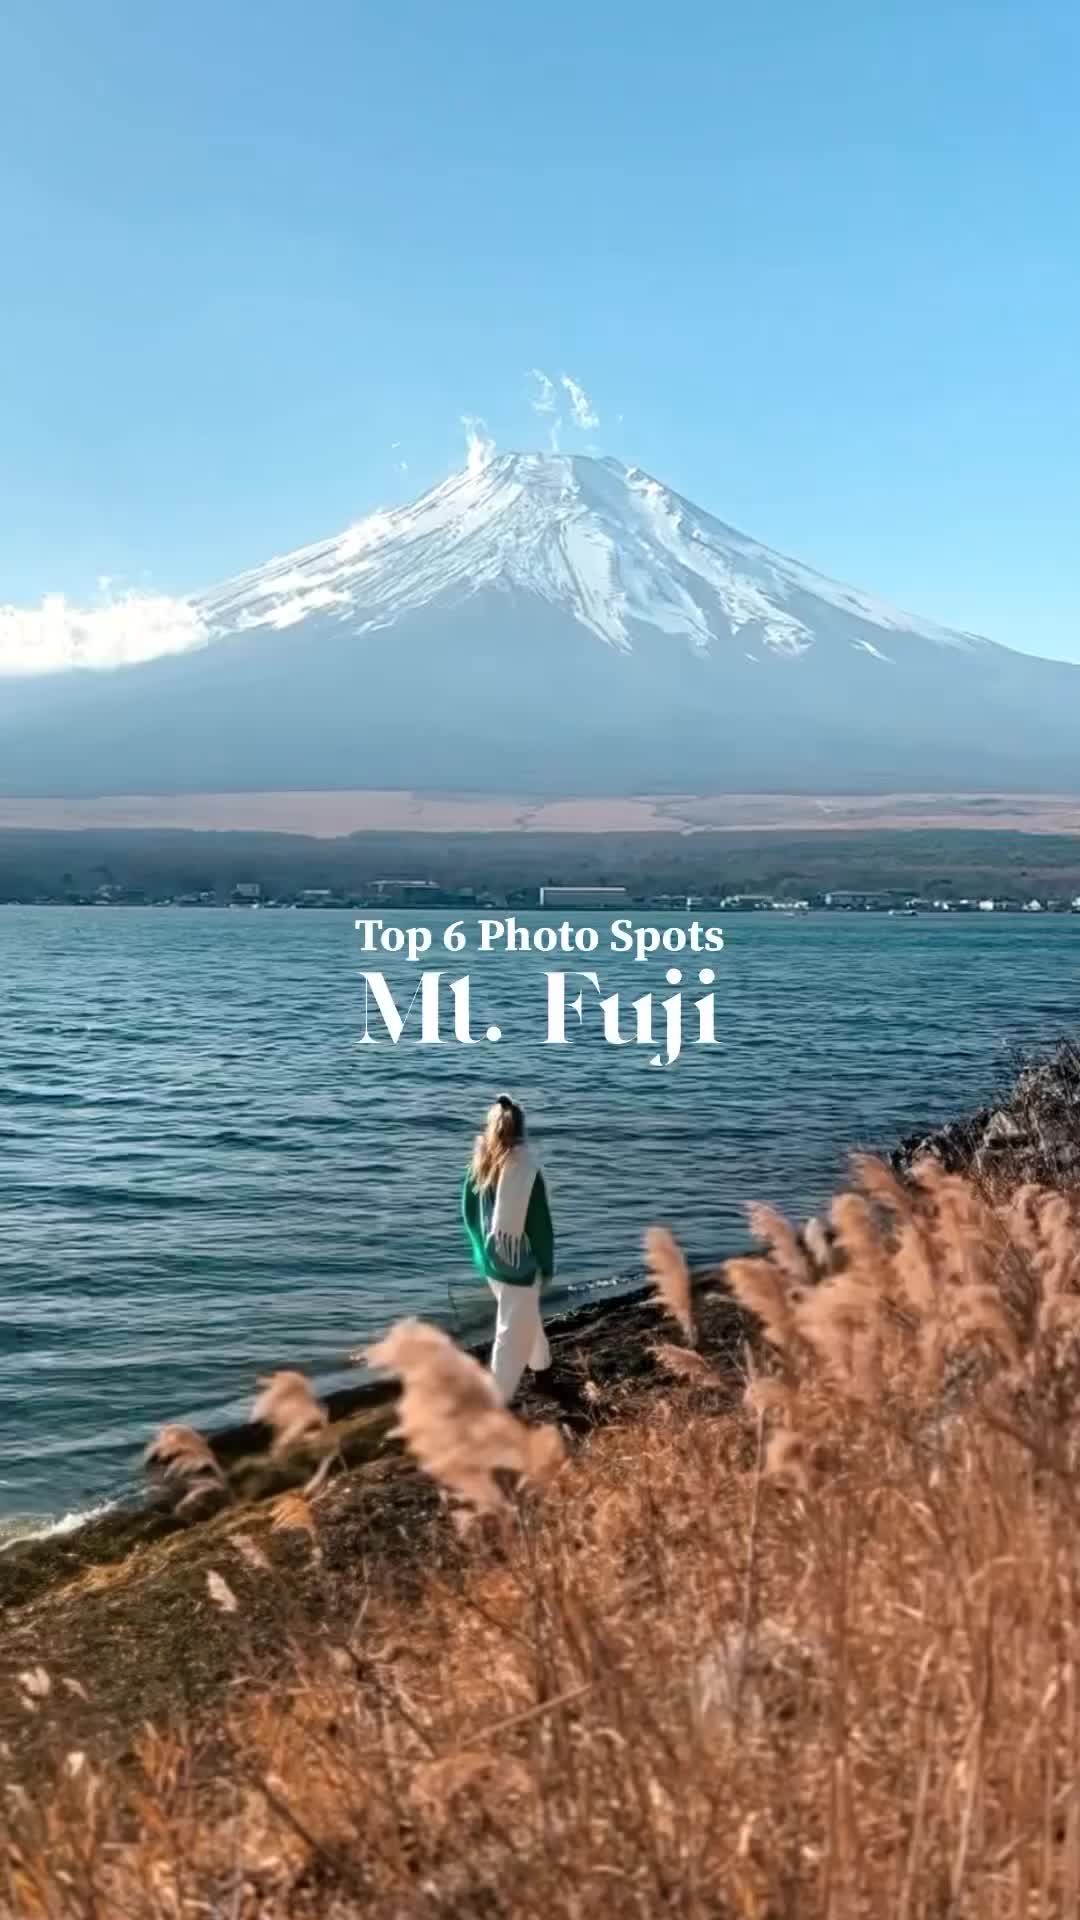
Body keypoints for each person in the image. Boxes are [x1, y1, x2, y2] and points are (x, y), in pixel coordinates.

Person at [461, 1096, 555, 1403]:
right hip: (518, 1261)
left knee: (523, 1315)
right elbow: (540, 1227)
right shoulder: (526, 1171)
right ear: (522, 1128)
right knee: (510, 1334)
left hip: (492, 1259)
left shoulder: (479, 1163)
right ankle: (496, 1402)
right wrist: (546, 1264)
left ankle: (542, 1370)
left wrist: (481, 1250)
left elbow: (470, 1213)